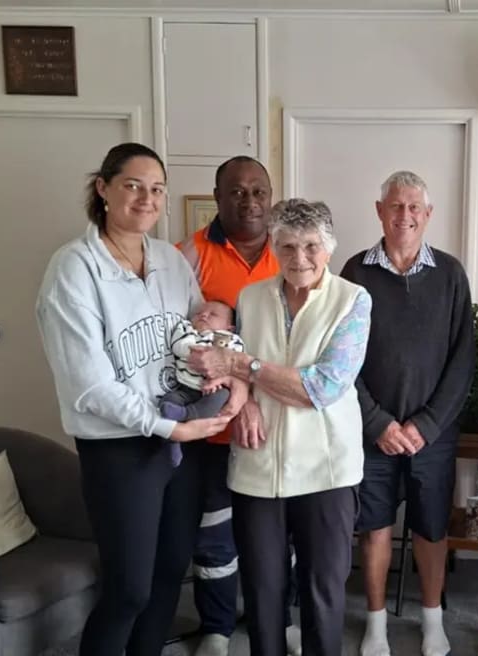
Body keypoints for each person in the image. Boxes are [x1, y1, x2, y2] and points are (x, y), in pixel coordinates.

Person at [36, 142, 241, 656]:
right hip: (122, 448)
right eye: (133, 185)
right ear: (103, 189)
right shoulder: (73, 268)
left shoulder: (171, 260)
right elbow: (87, 383)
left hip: (182, 442)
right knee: (129, 588)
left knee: (170, 572)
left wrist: (236, 379)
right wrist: (169, 427)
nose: (146, 199)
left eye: (156, 189)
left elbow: (205, 335)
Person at [190, 198, 371, 656]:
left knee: (322, 592)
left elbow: (322, 387)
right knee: (262, 589)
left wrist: (243, 366)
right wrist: (245, 399)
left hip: (326, 470)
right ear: (274, 248)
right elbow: (230, 363)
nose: (300, 259)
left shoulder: (353, 300)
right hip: (257, 463)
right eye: (287, 247)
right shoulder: (251, 298)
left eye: (312, 246)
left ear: (328, 249)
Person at [340, 171, 474, 656]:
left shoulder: (451, 274)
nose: (405, 215)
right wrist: (378, 423)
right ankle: (375, 624)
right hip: (371, 433)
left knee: (431, 528)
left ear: (428, 214)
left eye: (414, 206)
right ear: (379, 211)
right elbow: (341, 359)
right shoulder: (354, 273)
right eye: (396, 206)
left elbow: (464, 359)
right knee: (373, 527)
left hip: (431, 436)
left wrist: (427, 424)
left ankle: (432, 621)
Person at [177, 155, 301, 656]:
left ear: (270, 198)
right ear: (217, 195)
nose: (249, 201)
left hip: (275, 421)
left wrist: (254, 394)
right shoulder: (188, 255)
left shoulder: (292, 253)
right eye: (236, 191)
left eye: (258, 191)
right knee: (213, 532)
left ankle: (280, 617)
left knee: (280, 531)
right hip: (210, 424)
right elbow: (175, 338)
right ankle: (216, 627)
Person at [159, 300, 244, 423]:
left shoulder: (231, 339)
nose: (203, 315)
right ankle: (171, 433)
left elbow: (235, 358)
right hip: (184, 386)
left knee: (221, 397)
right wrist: (196, 352)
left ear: (229, 328)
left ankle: (187, 414)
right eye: (198, 313)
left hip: (214, 388)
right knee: (169, 400)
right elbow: (177, 346)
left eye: (213, 314)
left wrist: (219, 357)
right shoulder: (187, 329)